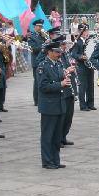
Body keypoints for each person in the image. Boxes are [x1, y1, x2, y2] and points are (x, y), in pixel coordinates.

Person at [37, 41, 69, 169]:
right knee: (48, 135)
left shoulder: (58, 64)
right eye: (56, 52)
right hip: (49, 105)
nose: (59, 54)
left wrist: (66, 75)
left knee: (56, 136)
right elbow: (43, 86)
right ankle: (47, 161)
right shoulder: (43, 66)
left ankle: (55, 160)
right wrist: (60, 84)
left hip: (59, 104)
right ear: (49, 52)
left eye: (60, 52)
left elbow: (60, 78)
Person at [71, 24, 95, 111]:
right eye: (84, 31)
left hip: (90, 66)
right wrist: (81, 57)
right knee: (83, 86)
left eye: (86, 31)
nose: (85, 33)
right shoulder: (77, 42)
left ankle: (90, 104)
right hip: (81, 66)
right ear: (79, 32)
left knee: (90, 85)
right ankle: (83, 105)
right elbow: (73, 54)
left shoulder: (89, 41)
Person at [58, 36, 76, 147]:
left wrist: (72, 68)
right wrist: (66, 70)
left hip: (70, 89)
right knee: (62, 116)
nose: (65, 46)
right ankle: (59, 138)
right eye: (62, 45)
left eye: (65, 44)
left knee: (69, 116)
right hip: (62, 90)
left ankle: (64, 136)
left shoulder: (66, 54)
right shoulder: (57, 57)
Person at [28, 19, 46, 106]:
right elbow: (33, 49)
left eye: (41, 26)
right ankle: (37, 100)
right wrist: (43, 46)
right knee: (37, 81)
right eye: (39, 26)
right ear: (35, 27)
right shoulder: (31, 36)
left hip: (43, 61)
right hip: (36, 61)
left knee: (43, 80)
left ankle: (42, 97)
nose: (40, 28)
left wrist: (45, 39)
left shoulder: (42, 36)